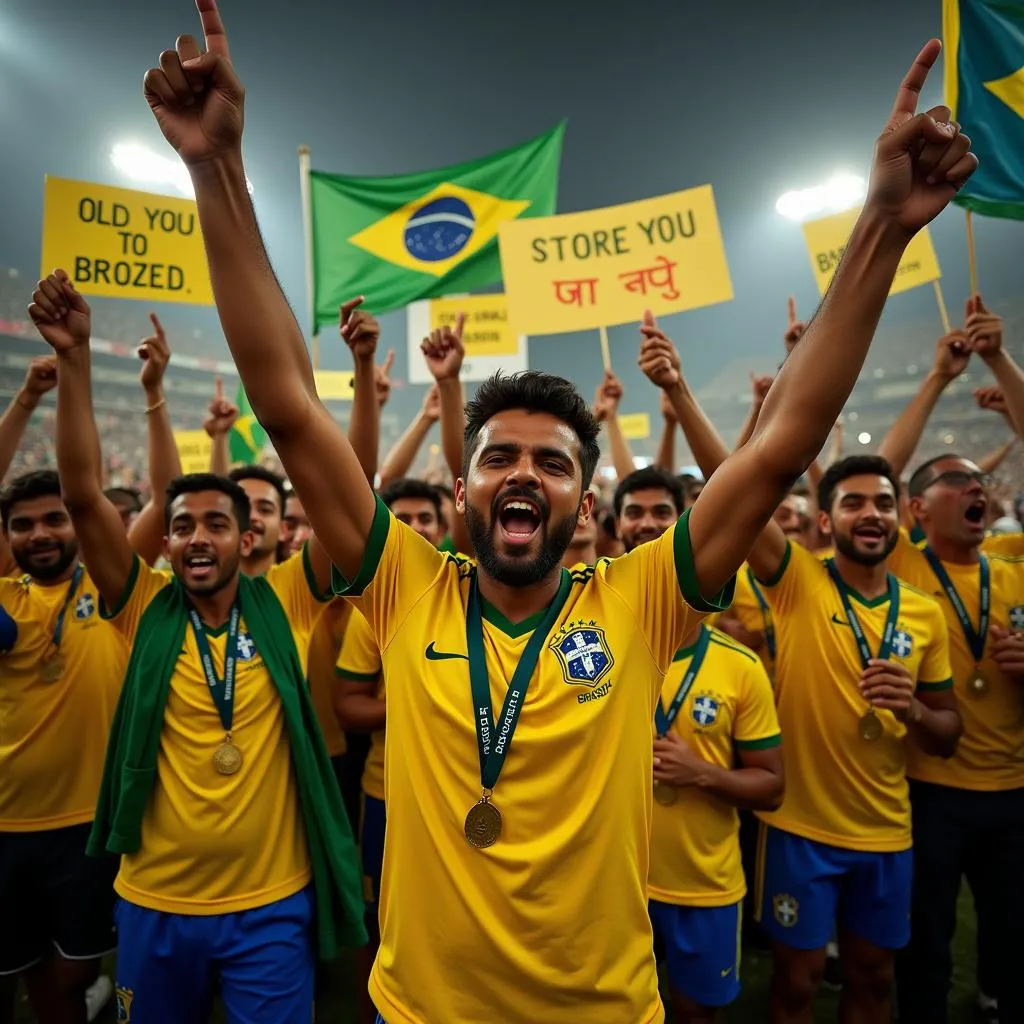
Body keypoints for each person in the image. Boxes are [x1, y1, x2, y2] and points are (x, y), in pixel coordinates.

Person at [144, 6, 974, 1018]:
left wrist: (881, 224)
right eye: (499, 457)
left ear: (585, 496)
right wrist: (217, 171)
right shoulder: (404, 585)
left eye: (552, 461)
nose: (524, 474)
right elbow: (282, 396)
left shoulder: (638, 599)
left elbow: (781, 446)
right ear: (462, 490)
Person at [28, 271, 366, 1024]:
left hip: (273, 905)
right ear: (166, 543)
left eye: (216, 523)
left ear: (246, 538)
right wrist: (76, 359)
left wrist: (362, 381)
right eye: (181, 526)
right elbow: (84, 496)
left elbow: (353, 492)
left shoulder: (286, 599)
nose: (196, 538)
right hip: (155, 903)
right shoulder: (140, 607)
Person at [615, 467, 784, 1022]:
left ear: (689, 526)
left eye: (662, 512)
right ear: (616, 527)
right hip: (610, 884)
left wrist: (702, 772)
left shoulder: (740, 668)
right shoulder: (586, 652)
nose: (647, 524)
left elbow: (772, 786)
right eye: (634, 513)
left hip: (702, 889)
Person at [892, 454, 1024, 1024]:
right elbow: (882, 467)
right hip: (930, 790)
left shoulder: (1012, 561)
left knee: (1012, 926)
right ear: (916, 508)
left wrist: (997, 360)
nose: (976, 487)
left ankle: (997, 997)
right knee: (927, 936)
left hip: (1015, 787)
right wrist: (940, 378)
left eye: (980, 481)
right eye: (956, 480)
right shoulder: (903, 566)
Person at [0, 470, 126, 1024]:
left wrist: (153, 400)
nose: (39, 534)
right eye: (21, 525)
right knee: (24, 973)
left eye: (55, 518)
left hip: (87, 826)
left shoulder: (118, 591)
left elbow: (165, 484)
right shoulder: (4, 600)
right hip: (5, 829)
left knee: (72, 976)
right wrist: (25, 398)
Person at [336, 477, 448, 1024]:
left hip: (459, 801)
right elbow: (347, 706)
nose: (416, 529)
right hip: (387, 795)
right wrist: (414, 702)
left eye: (426, 518)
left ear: (446, 523)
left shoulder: (473, 595)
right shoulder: (378, 609)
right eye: (402, 519)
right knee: (379, 919)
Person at [228, 464, 288, 576]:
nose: (252, 516)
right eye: (242, 508)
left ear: (283, 529)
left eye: (265, 510)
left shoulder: (301, 584)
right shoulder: (198, 587)